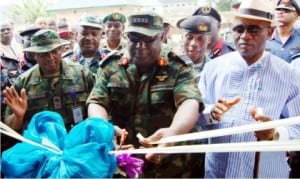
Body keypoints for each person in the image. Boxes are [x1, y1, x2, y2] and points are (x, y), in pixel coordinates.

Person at [86, 12, 204, 178]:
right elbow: (96, 102)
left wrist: (174, 132)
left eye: (148, 40)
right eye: (134, 39)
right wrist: (104, 129)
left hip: (170, 167)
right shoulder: (111, 66)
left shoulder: (177, 66)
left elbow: (190, 102)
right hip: (125, 164)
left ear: (161, 37)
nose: (140, 46)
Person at [198, 0, 300, 178]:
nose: (245, 36)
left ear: (269, 32)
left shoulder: (288, 75)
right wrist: (211, 113)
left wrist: (274, 133)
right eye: (239, 29)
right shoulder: (213, 69)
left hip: (266, 173)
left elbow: (298, 127)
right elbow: (194, 117)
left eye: (254, 30)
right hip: (218, 172)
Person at [2, 29, 95, 151]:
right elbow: (9, 127)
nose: (50, 57)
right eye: (44, 54)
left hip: (79, 146)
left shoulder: (82, 74)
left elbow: (98, 107)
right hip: (42, 149)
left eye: (54, 51)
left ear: (61, 49)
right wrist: (18, 117)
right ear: (35, 55)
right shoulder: (23, 83)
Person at [178, 15, 212, 82]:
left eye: (200, 38)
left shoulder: (215, 69)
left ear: (209, 39)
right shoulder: (171, 68)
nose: (194, 43)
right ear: (182, 38)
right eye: (189, 37)